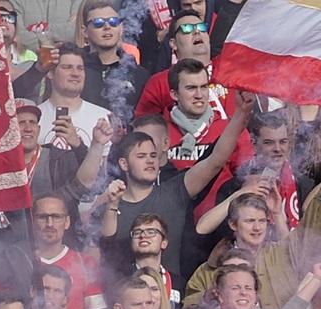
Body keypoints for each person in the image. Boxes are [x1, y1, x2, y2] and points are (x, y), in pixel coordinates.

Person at [97, 95, 252, 289]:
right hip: (127, 300)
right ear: (123, 164)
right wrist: (106, 203)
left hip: (173, 295)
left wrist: (240, 115)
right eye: (141, 156)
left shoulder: (174, 191)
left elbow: (216, 160)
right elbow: (101, 245)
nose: (150, 161)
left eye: (153, 155)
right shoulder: (111, 203)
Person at [80, 2, 150, 111]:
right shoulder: (75, 69)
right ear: (84, 31)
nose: (107, 27)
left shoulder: (139, 75)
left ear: (121, 28)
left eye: (113, 22)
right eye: (98, 23)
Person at [40, 45, 113, 146]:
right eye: (67, 67)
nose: (75, 74)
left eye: (80, 68)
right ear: (50, 73)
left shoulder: (103, 118)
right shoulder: (34, 119)